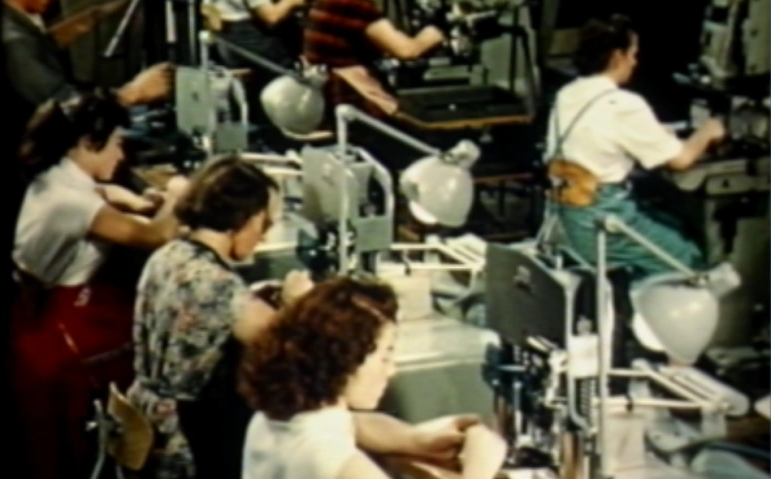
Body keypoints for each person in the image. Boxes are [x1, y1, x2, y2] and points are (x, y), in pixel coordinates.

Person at [10, 92, 186, 479]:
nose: (121, 155)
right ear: (90, 142)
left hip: (42, 308)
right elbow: (156, 237)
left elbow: (101, 194)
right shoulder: (71, 202)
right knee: (161, 346)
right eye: (117, 144)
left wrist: (138, 202)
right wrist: (178, 194)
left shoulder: (59, 175)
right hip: (59, 324)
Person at [127, 156, 313, 479]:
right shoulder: (221, 288)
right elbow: (290, 346)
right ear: (245, 219)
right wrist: (298, 302)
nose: (264, 236)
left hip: (143, 421)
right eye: (264, 223)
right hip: (190, 440)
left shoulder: (169, 254)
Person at [240, 276, 508, 479]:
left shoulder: (275, 417)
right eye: (384, 356)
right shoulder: (330, 460)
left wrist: (417, 441)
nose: (391, 370)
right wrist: (480, 467)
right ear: (345, 360)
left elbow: (354, 425)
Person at [544, 14, 726, 279]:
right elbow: (681, 160)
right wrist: (708, 131)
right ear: (617, 56)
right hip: (601, 223)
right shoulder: (624, 104)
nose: (635, 62)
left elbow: (600, 136)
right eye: (632, 54)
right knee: (689, 258)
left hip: (568, 220)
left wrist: (659, 133)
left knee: (673, 224)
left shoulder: (567, 93)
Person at [2, 0, 172, 129]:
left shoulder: (12, 23)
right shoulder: (14, 41)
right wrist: (131, 94)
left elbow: (42, 45)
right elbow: (67, 107)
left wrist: (98, 14)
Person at [303, 0, 445, 118]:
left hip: (324, 99)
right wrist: (435, 33)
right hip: (353, 100)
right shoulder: (354, 5)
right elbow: (407, 51)